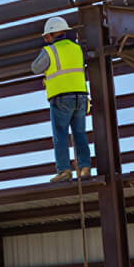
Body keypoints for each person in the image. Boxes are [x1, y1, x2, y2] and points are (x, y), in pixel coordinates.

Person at [30, 17, 91, 182]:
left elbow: (35, 68)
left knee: (61, 135)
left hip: (61, 98)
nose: (45, 39)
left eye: (46, 36)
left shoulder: (50, 51)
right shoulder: (76, 48)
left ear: (52, 33)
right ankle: (85, 168)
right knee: (79, 134)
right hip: (81, 97)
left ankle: (64, 171)